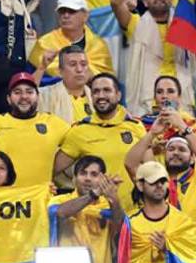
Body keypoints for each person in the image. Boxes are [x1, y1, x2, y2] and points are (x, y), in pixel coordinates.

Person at [55, 73, 146, 211]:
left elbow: (151, 168)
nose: (101, 95)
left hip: (133, 215)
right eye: (96, 91)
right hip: (94, 217)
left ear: (118, 95)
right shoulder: (80, 131)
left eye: (107, 90)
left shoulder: (136, 126)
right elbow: (51, 170)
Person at [29, 0, 115, 78]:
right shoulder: (44, 43)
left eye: (72, 11)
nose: (66, 15)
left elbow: (106, 78)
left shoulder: (98, 45)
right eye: (62, 12)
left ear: (85, 15)